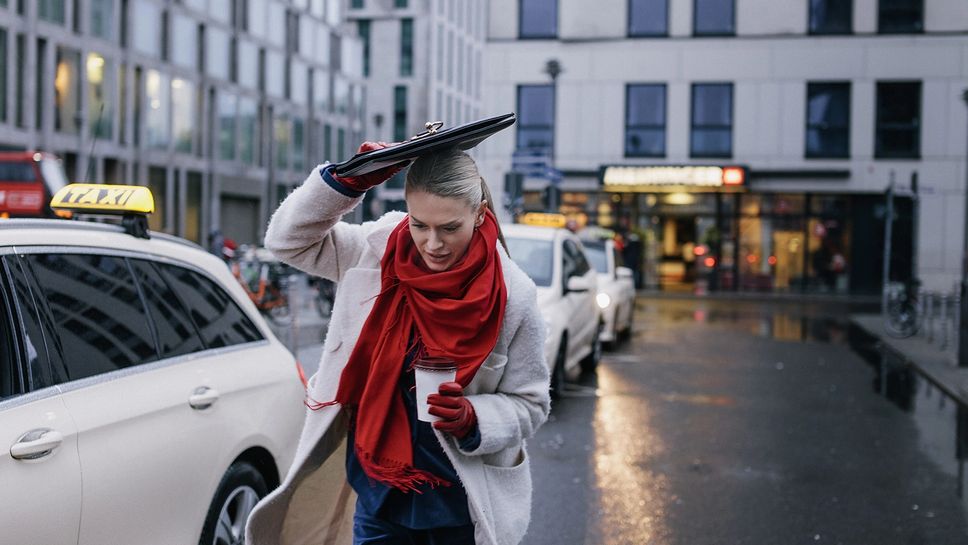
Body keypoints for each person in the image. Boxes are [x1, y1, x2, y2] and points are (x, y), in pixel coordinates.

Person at [245, 142, 551, 545]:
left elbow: (531, 403)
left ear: (479, 214)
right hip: (377, 494)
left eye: (449, 228)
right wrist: (346, 182)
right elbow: (288, 241)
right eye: (419, 224)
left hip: (461, 506)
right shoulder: (378, 248)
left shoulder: (513, 295)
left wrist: (472, 417)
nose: (433, 244)